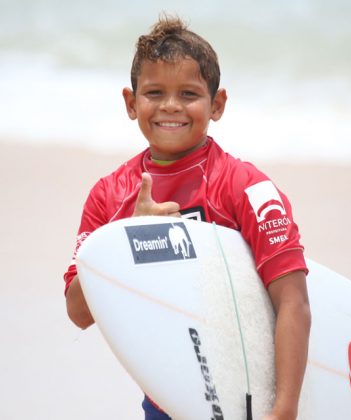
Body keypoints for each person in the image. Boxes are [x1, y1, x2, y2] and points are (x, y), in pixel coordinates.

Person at [64, 16, 311, 420]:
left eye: (189, 93)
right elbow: (79, 312)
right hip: (166, 397)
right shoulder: (109, 196)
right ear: (131, 102)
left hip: (253, 394)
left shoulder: (246, 188)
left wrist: (283, 410)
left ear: (217, 104)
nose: (171, 106)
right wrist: (127, 236)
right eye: (154, 92)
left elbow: (293, 302)